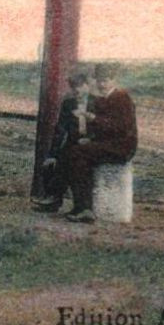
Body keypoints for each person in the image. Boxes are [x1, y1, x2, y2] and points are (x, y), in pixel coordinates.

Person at [59, 63, 137, 223]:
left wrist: (92, 118)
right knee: (75, 152)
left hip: (122, 146)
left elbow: (121, 128)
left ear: (114, 80)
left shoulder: (122, 98)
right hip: (108, 144)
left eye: (106, 80)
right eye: (99, 80)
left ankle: (83, 207)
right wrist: (91, 139)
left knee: (76, 153)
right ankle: (83, 207)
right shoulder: (103, 100)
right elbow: (103, 129)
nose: (102, 84)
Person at [31, 69, 91, 212]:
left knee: (71, 160)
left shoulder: (97, 102)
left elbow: (103, 126)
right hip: (73, 142)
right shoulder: (68, 104)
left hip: (91, 142)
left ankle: (77, 205)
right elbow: (60, 130)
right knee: (54, 161)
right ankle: (54, 199)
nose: (77, 90)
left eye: (80, 86)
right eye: (73, 87)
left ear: (87, 85)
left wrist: (90, 139)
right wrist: (52, 154)